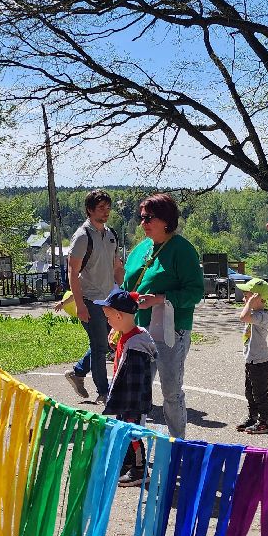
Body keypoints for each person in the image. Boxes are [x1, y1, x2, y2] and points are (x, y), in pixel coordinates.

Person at [122, 193, 203, 439]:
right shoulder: (140, 250)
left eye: (149, 218)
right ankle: (136, 451)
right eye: (142, 217)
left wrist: (160, 298)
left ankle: (178, 444)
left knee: (171, 391)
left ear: (166, 220)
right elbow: (127, 286)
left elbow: (195, 292)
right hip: (139, 331)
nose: (143, 223)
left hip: (171, 331)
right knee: (137, 392)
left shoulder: (183, 250)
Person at [64, 190, 124, 404]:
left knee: (104, 344)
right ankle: (104, 391)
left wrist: (121, 289)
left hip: (110, 299)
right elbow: (72, 272)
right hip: (90, 300)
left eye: (108, 208)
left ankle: (78, 372)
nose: (106, 212)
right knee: (100, 347)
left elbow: (117, 265)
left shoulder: (110, 234)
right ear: (90, 210)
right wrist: (80, 305)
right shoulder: (82, 236)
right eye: (101, 208)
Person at [97, 287, 157, 486]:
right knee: (125, 430)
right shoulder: (130, 335)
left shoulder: (136, 347)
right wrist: (116, 343)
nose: (108, 322)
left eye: (108, 317)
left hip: (132, 400)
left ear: (119, 315)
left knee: (133, 432)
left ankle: (140, 469)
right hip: (125, 397)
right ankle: (129, 462)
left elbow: (136, 379)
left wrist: (131, 407)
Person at [235, 277, 268, 434]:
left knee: (260, 394)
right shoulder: (253, 312)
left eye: (248, 295)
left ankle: (265, 421)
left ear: (257, 297)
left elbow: (242, 317)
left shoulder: (262, 316)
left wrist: (250, 303)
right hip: (251, 361)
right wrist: (250, 304)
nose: (245, 298)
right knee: (249, 392)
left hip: (261, 363)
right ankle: (253, 417)